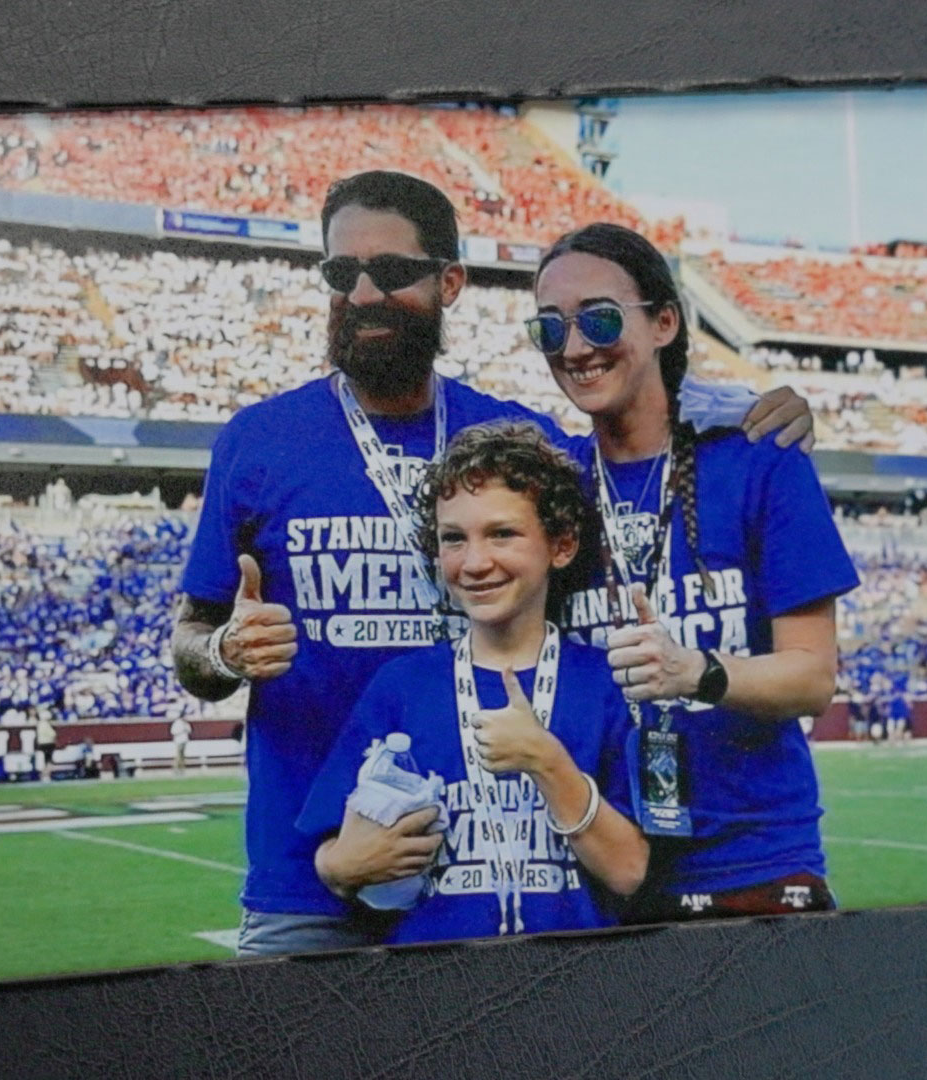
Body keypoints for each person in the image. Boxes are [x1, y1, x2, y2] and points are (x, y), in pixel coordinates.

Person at [170, 172, 816, 957]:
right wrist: (223, 651)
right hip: (313, 876)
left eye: (394, 271)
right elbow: (193, 638)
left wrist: (743, 409)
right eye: (342, 273)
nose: (364, 291)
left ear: (449, 282)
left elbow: (630, 428)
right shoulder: (257, 440)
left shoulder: (518, 436)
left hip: (503, 872)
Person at [531, 223, 861, 922]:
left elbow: (812, 677)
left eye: (598, 318)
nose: (576, 347)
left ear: (665, 322)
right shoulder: (549, 483)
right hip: (606, 870)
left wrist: (696, 673)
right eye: (549, 328)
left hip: (756, 863)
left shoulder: (759, 457)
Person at [298, 422, 646, 944]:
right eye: (454, 539)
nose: (476, 563)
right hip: (434, 988)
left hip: (576, 986)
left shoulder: (606, 684)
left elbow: (629, 871)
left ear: (563, 544)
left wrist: (547, 762)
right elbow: (331, 853)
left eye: (502, 534)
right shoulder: (401, 688)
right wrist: (340, 867)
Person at [169, 711, 192, 776]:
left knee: (183, 756)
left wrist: (186, 729)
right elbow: (173, 731)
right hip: (179, 741)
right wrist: (182, 730)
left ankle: (182, 769)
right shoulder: (177, 723)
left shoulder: (186, 723)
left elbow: (189, 730)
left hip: (184, 741)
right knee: (178, 756)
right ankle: (176, 769)